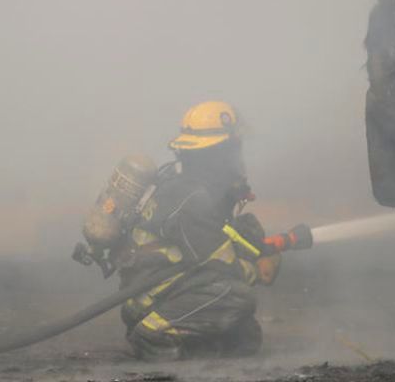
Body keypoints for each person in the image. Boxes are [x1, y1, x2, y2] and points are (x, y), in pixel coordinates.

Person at [116, 101, 277, 360]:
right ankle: (152, 334)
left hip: (155, 292)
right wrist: (260, 265)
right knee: (237, 296)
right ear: (216, 153)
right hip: (154, 299)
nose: (236, 157)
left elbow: (213, 239)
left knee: (244, 336)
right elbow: (222, 265)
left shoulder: (183, 185)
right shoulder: (192, 198)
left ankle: (180, 339)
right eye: (232, 149)